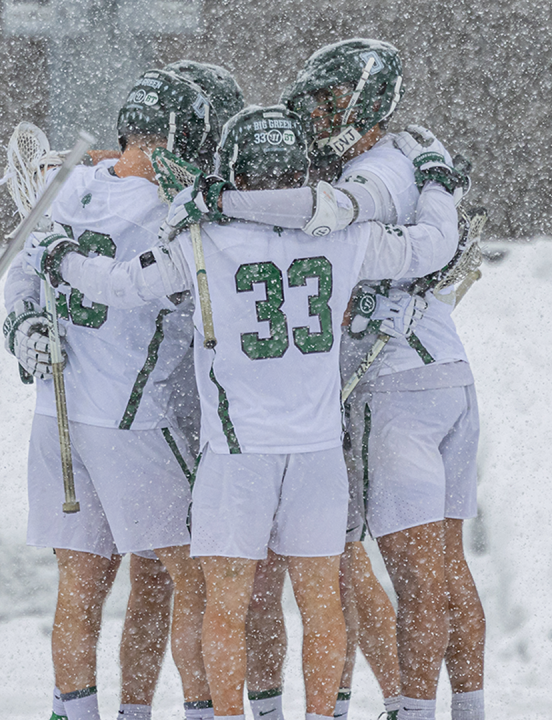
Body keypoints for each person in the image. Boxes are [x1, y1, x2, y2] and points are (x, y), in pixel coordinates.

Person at [37, 104, 458, 720]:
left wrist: (60, 256)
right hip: (316, 452)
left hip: (236, 455)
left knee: (226, 607)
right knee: (321, 602)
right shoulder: (348, 233)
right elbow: (434, 245)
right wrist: (436, 181)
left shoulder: (204, 240)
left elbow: (120, 286)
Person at [165, 39, 485, 720]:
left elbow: (320, 212)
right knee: (386, 576)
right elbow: (427, 244)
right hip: (379, 401)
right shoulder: (380, 183)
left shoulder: (369, 181)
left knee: (370, 574)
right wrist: (440, 192)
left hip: (373, 394)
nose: (314, 114)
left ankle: (405, 708)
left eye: (327, 101)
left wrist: (212, 200)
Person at [3, 68, 213, 720]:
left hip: (58, 415)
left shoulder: (65, 187)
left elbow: (21, 277)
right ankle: (202, 709)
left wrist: (22, 328)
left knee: (81, 584)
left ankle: (77, 713)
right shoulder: (170, 209)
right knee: (200, 582)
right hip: (132, 417)